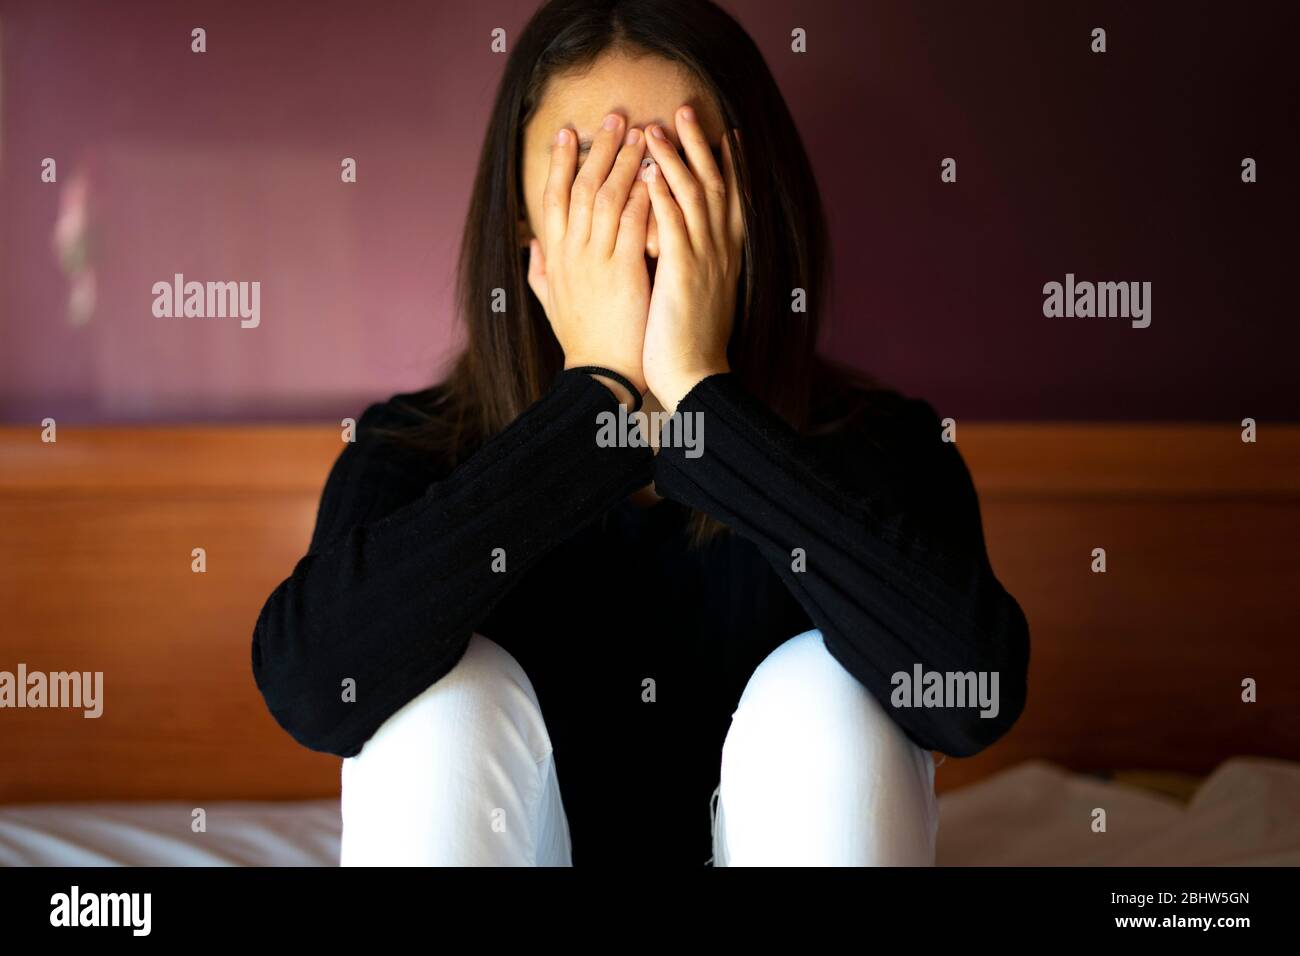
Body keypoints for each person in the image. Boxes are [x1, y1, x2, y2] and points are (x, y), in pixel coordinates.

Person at [251, 0, 1030, 866]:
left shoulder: (879, 444)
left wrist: (703, 402)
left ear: (748, 207)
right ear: (523, 222)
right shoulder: (413, 447)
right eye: (588, 170)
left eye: (674, 162)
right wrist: (595, 407)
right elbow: (315, 691)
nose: (633, 209)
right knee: (443, 704)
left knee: (825, 694)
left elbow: (976, 696)